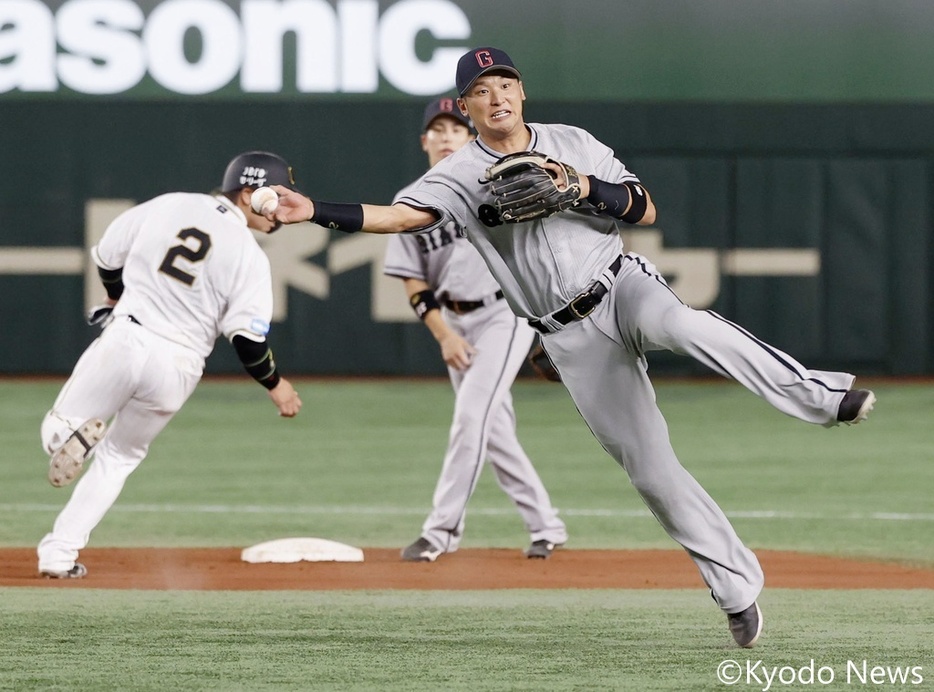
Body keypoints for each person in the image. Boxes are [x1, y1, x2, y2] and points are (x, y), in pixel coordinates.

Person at [268, 48, 876, 647]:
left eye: (504, 83)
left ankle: (822, 396)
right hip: (567, 335)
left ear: (522, 91)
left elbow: (642, 206)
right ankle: (736, 588)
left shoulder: (573, 141)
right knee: (650, 469)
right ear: (467, 106)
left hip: (622, 285)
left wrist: (579, 185)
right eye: (481, 91)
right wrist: (313, 209)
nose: (496, 96)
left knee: (688, 327)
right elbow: (397, 219)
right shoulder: (454, 177)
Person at [37, 151, 303, 579]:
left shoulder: (171, 203)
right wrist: (276, 384)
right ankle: (58, 554)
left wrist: (114, 297)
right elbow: (248, 339)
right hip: (178, 368)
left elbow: (107, 256)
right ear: (250, 192)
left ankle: (67, 438)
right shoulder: (250, 256)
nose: (284, 209)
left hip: (129, 337)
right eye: (278, 197)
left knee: (61, 422)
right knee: (121, 457)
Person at [383, 98, 568, 562]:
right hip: (456, 320)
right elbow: (413, 278)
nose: (447, 136)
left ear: (470, 137)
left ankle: (441, 531)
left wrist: (544, 316)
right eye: (438, 129)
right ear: (424, 140)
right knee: (493, 428)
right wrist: (444, 334)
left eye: (455, 129)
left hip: (505, 314)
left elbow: (539, 250)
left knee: (471, 418)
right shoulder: (409, 201)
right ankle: (546, 525)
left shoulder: (497, 184)